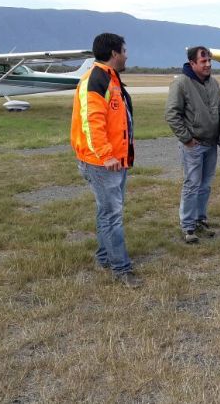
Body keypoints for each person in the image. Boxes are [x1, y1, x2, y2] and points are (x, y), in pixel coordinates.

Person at [70, 33, 141, 288]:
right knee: (113, 215)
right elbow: (92, 123)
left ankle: (104, 258)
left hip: (115, 160)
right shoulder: (96, 79)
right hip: (103, 163)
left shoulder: (110, 78)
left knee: (106, 211)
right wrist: (106, 155)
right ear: (114, 53)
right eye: (124, 50)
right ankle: (122, 269)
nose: (127, 54)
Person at [165, 46, 220, 243]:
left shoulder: (214, 83)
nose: (208, 64)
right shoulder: (181, 83)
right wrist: (187, 139)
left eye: (209, 61)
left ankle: (200, 219)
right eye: (203, 61)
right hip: (193, 145)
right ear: (192, 63)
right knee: (192, 184)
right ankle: (188, 226)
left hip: (211, 144)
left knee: (205, 184)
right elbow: (171, 114)